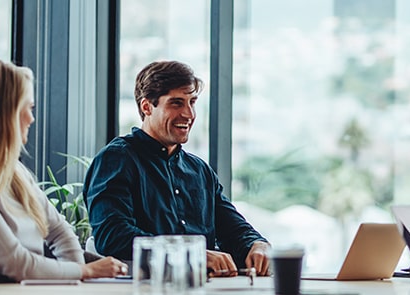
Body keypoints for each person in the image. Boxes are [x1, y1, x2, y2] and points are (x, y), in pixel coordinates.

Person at [83, 61, 270, 276]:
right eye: (176, 103)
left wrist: (257, 244)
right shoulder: (116, 159)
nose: (189, 114)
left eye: (192, 102)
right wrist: (192, 254)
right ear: (147, 107)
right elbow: (113, 236)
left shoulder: (199, 170)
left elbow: (233, 228)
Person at [0, 60, 127, 282]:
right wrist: (85, 271)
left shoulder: (15, 173)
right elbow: (15, 262)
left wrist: (75, 276)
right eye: (28, 108)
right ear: (5, 114)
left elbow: (60, 231)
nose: (31, 119)